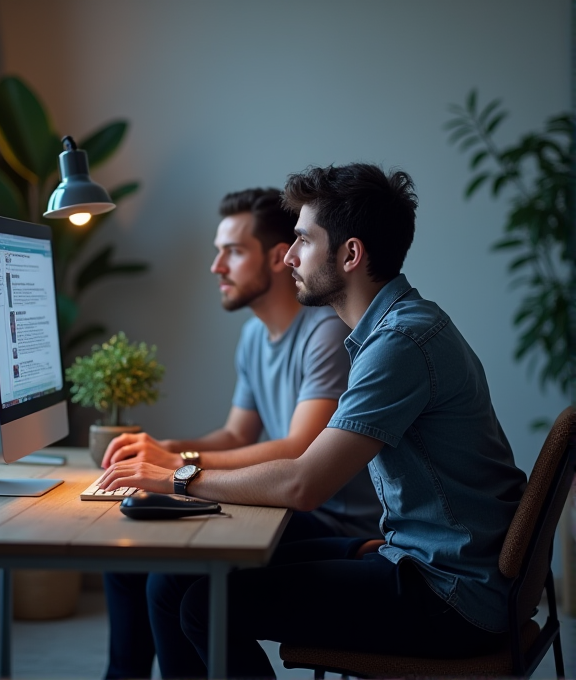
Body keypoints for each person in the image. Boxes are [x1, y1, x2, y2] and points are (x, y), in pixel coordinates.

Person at [98, 164, 529, 679]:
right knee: (174, 587)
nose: (290, 255)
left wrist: (177, 477)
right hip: (425, 561)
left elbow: (304, 482)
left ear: (350, 254)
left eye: (302, 239)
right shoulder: (396, 330)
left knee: (203, 605)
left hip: (447, 593)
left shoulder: (400, 344)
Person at [100, 187, 382, 679]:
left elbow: (299, 450)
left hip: (334, 519)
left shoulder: (326, 332)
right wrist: (166, 450)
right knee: (125, 557)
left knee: (170, 579)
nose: (216, 266)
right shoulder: (255, 334)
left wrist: (177, 469)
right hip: (280, 501)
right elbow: (235, 435)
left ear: (277, 257)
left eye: (232, 251)